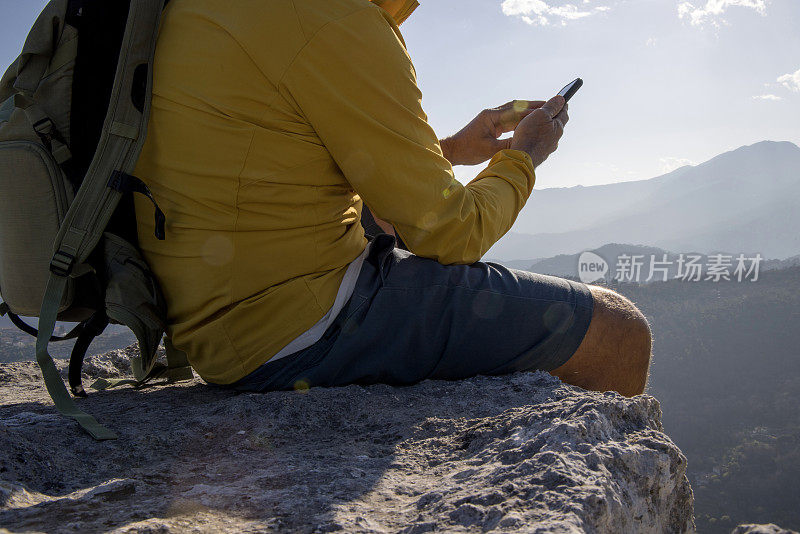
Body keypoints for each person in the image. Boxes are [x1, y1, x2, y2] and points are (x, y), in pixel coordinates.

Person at [134, 0, 652, 398]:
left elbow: (272, 157)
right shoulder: (335, 20)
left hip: (202, 310)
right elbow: (454, 232)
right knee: (620, 330)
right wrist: (524, 157)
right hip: (284, 325)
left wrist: (446, 151)